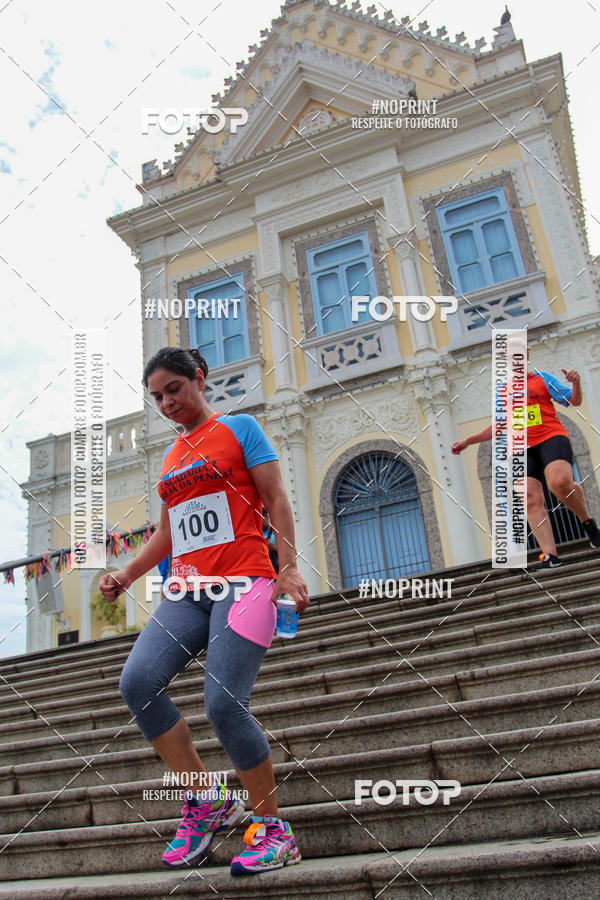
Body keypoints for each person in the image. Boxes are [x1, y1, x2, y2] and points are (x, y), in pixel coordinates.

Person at [99, 346, 309, 877]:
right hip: (188, 590)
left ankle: (273, 830)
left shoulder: (240, 428)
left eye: (174, 388)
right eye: (157, 397)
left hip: (245, 583)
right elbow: (169, 534)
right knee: (137, 682)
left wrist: (288, 567)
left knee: (222, 703)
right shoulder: (171, 458)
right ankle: (207, 800)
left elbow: (276, 499)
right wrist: (127, 574)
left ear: (199, 378)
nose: (167, 402)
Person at [451, 353, 600, 568]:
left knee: (559, 485)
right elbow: (501, 425)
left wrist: (575, 383)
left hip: (551, 437)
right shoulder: (503, 391)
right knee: (529, 498)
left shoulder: (542, 379)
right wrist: (468, 440)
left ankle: (587, 522)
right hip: (520, 447)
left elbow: (573, 400)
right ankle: (550, 555)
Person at [262, 506, 279, 574]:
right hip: (264, 572)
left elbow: (293, 552)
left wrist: (274, 548)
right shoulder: (256, 533)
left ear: (265, 516)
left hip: (278, 572)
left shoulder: (277, 532)